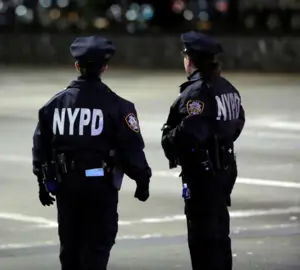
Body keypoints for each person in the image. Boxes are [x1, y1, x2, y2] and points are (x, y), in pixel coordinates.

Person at [31, 36, 151, 270]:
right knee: (96, 247)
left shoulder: (54, 105)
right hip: (101, 188)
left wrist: (41, 181)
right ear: (104, 67)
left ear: (77, 66)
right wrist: (142, 179)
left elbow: (41, 146)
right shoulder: (119, 106)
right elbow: (131, 148)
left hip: (67, 185)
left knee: (70, 248)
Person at [160, 31, 246, 270]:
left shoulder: (197, 92)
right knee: (219, 233)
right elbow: (238, 120)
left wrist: (168, 138)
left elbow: (189, 131)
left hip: (203, 172)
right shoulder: (228, 88)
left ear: (190, 59)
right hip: (224, 168)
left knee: (202, 238)